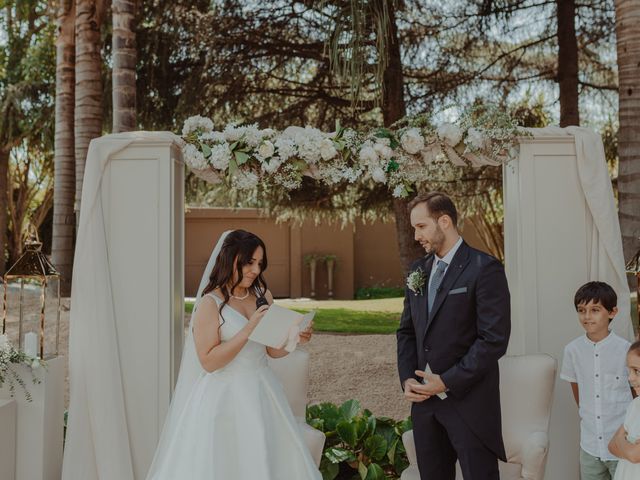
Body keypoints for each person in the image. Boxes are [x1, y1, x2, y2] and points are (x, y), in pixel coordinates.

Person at [146, 229, 321, 479]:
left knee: (264, 459)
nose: (255, 270)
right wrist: (248, 329)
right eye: (249, 262)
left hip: (263, 392)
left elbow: (271, 349)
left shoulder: (263, 296)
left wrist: (296, 338)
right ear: (230, 259)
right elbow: (208, 361)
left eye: (259, 263)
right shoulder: (210, 304)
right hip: (223, 397)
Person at [396, 192, 511, 480]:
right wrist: (408, 377)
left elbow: (493, 339)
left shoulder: (485, 268)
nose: (416, 235)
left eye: (421, 226)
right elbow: (407, 331)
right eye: (414, 228)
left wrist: (447, 381)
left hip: (469, 405)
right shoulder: (417, 270)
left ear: (444, 221)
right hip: (425, 408)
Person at [560, 281, 632, 480]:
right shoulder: (572, 351)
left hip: (622, 444)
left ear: (612, 312)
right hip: (590, 446)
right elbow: (578, 393)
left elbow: (636, 394)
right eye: (581, 310)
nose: (587, 316)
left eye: (595, 310)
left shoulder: (626, 350)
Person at [609, 341, 640, 479]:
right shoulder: (635, 405)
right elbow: (611, 446)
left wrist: (621, 440)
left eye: (637, 371)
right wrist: (626, 445)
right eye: (629, 371)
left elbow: (634, 456)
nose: (630, 378)